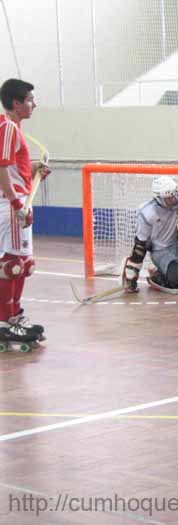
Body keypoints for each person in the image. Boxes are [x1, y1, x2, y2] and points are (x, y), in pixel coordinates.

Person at [0, 79, 49, 344]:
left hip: (15, 200)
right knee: (12, 264)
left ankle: (13, 315)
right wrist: (17, 204)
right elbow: (2, 169)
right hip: (12, 204)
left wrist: (34, 172)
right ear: (16, 103)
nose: (34, 104)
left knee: (22, 263)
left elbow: (14, 170)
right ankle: (6, 320)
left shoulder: (12, 127)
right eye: (30, 99)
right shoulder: (7, 127)